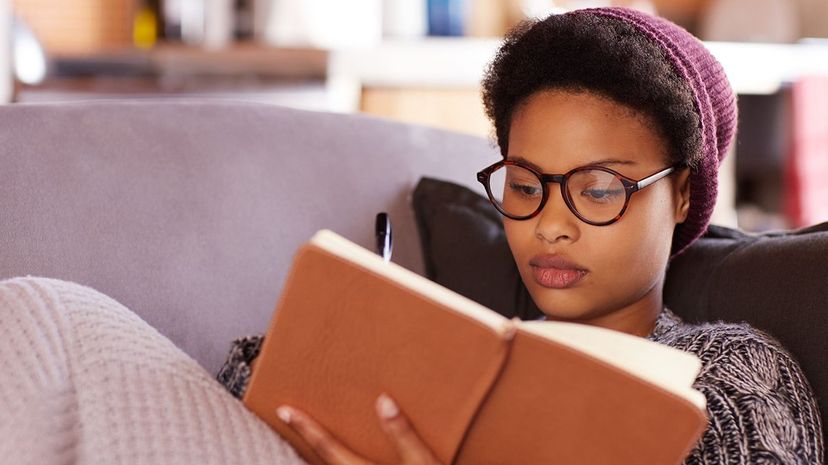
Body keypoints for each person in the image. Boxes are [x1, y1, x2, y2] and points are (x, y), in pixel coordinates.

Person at [217, 7, 824, 465]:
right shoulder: (454, 354)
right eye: (525, 186)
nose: (550, 225)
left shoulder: (732, 376)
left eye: (599, 189)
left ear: (683, 194)